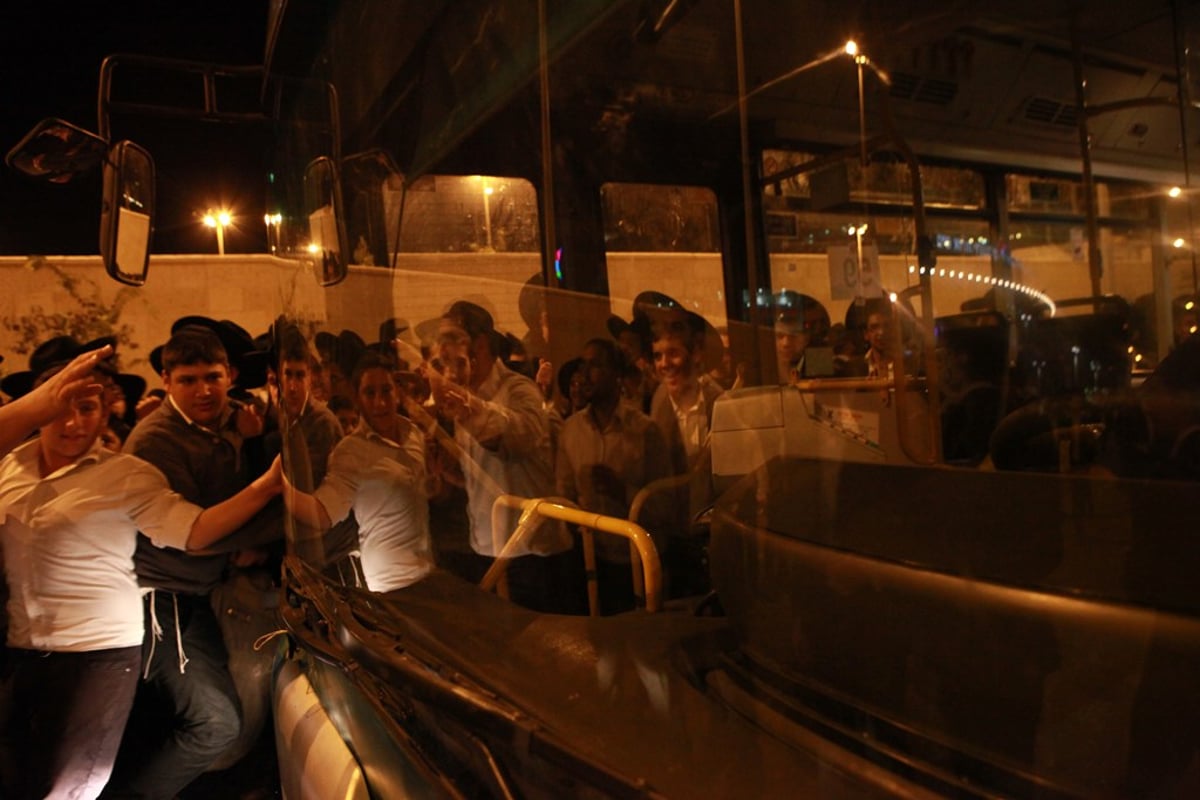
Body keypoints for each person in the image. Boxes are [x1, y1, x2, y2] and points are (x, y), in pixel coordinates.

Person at [0, 337, 281, 800]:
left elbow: (193, 530)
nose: (73, 423)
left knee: (71, 788)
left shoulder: (126, 474)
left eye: (88, 408)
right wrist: (31, 409)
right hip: (23, 648)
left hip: (99, 652)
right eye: (60, 408)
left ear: (106, 412)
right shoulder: (12, 465)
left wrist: (266, 488)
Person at [105, 325, 280, 800]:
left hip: (216, 589)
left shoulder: (237, 421)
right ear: (166, 380)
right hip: (167, 595)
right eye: (187, 379)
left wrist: (253, 443)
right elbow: (195, 537)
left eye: (212, 376)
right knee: (216, 723)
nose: (203, 389)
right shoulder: (154, 443)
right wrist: (269, 533)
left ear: (231, 375)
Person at [427, 300, 574, 612]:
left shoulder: (520, 390)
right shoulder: (467, 398)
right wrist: (452, 475)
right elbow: (488, 476)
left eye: (452, 339)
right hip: (487, 546)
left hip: (532, 552)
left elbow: (516, 438)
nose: (442, 351)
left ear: (480, 345)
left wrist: (467, 408)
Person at [280, 350, 433, 592]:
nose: (379, 402)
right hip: (390, 585)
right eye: (369, 393)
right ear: (358, 397)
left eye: (386, 390)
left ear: (397, 392)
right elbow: (322, 513)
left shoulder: (413, 433)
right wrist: (279, 485)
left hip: (427, 575)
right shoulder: (351, 452)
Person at [556, 339, 672, 613]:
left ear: (617, 375)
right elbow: (563, 492)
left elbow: (666, 505)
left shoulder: (645, 431)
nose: (585, 374)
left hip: (635, 560)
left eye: (595, 365)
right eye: (583, 365)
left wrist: (621, 491)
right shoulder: (571, 430)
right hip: (590, 560)